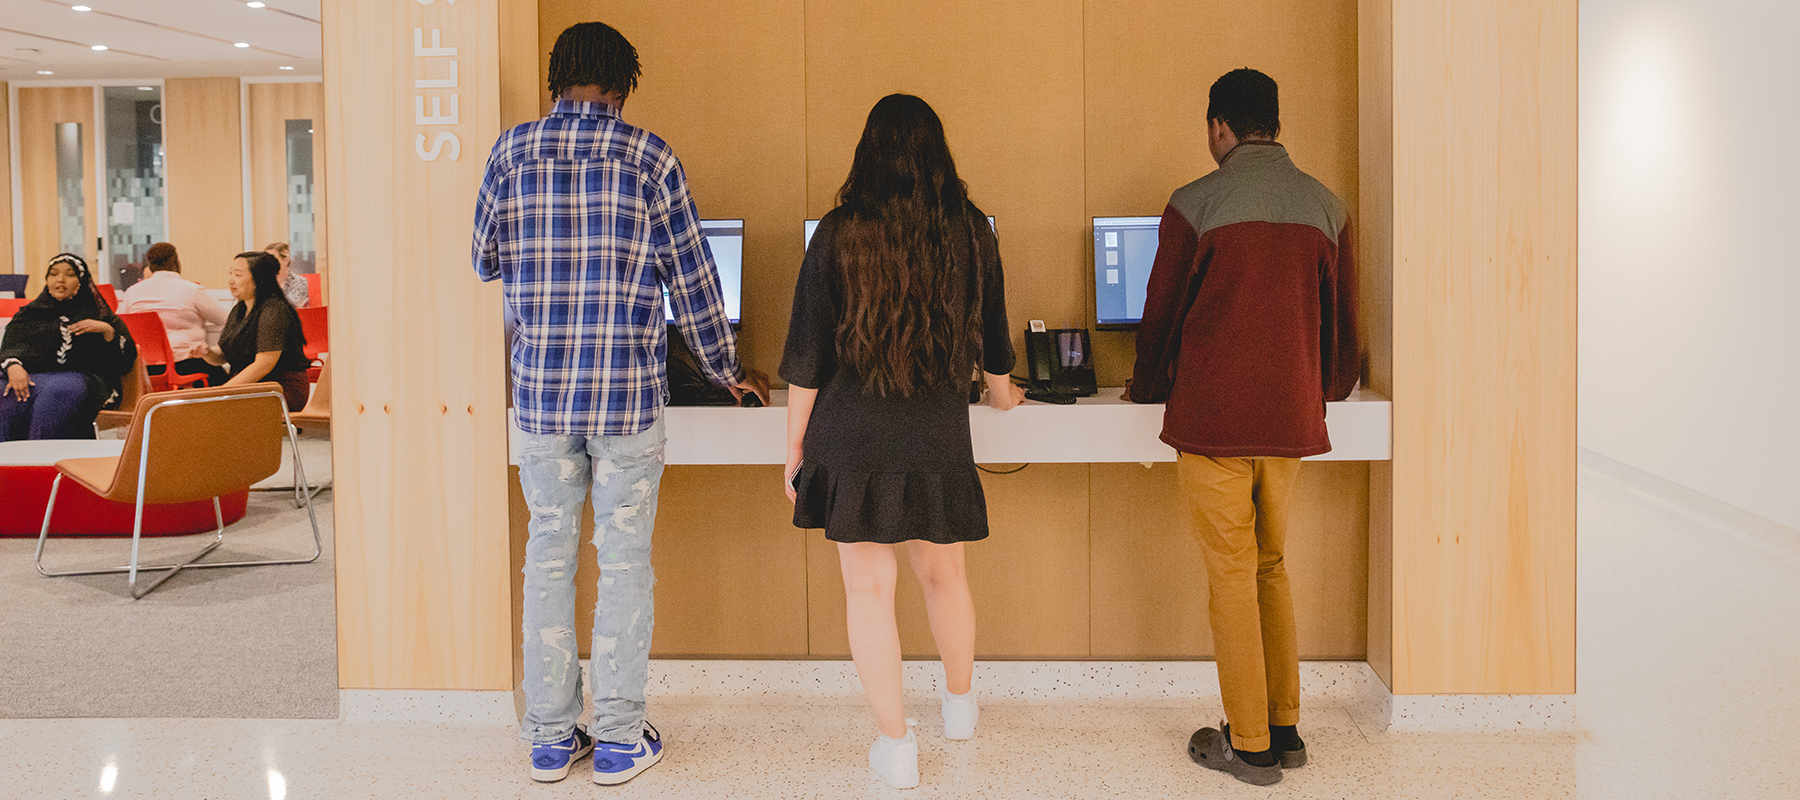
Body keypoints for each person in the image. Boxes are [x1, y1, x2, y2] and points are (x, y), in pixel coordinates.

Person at [471, 21, 769, 787]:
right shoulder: (649, 157)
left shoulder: (511, 153)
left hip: (539, 399)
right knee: (624, 560)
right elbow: (696, 282)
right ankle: (617, 739)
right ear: (623, 87)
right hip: (627, 397)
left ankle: (546, 738)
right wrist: (728, 372)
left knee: (548, 556)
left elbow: (484, 259)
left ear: (554, 81)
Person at [1124, 68, 1360, 786]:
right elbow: (1340, 333)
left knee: (1230, 572)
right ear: (1276, 126)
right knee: (1271, 565)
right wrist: (1329, 388)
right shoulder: (1327, 207)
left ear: (1219, 127)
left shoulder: (1194, 203)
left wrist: (1147, 389)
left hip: (1216, 422)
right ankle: (1286, 728)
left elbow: (1161, 318)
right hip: (1290, 422)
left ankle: (1249, 744)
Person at [781, 93, 1024, 790]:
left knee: (870, 590)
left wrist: (794, 448)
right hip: (936, 435)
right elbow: (996, 344)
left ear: (868, 153)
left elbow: (807, 356)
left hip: (850, 437)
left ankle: (896, 746)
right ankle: (959, 708)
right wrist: (1005, 395)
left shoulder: (837, 233)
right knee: (945, 576)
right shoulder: (972, 231)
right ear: (937, 156)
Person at [0, 253, 138, 441]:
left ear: (81, 281)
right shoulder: (29, 314)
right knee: (5, 393)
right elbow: (9, 348)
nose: (60, 280)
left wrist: (107, 331)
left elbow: (125, 359)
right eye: (54, 274)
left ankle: (44, 463)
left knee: (55, 395)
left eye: (70, 274)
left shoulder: (98, 314)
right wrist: (13, 366)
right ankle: (9, 464)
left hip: (82, 378)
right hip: (33, 376)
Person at [201, 251, 311, 411]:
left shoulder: (274, 310)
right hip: (253, 387)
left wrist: (221, 392)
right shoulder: (239, 309)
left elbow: (264, 364)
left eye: (237, 275)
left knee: (207, 410)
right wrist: (206, 353)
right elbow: (224, 354)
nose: (230, 280)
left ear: (259, 279)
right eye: (230, 273)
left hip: (279, 389)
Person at [120, 242, 230, 386]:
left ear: (150, 266)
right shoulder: (192, 290)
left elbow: (120, 326)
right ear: (177, 263)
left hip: (145, 369)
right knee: (225, 380)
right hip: (185, 364)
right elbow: (229, 319)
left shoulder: (132, 292)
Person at [263, 242, 310, 308]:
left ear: (286, 260)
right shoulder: (263, 282)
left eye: (273, 259)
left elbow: (297, 306)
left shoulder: (300, 282)